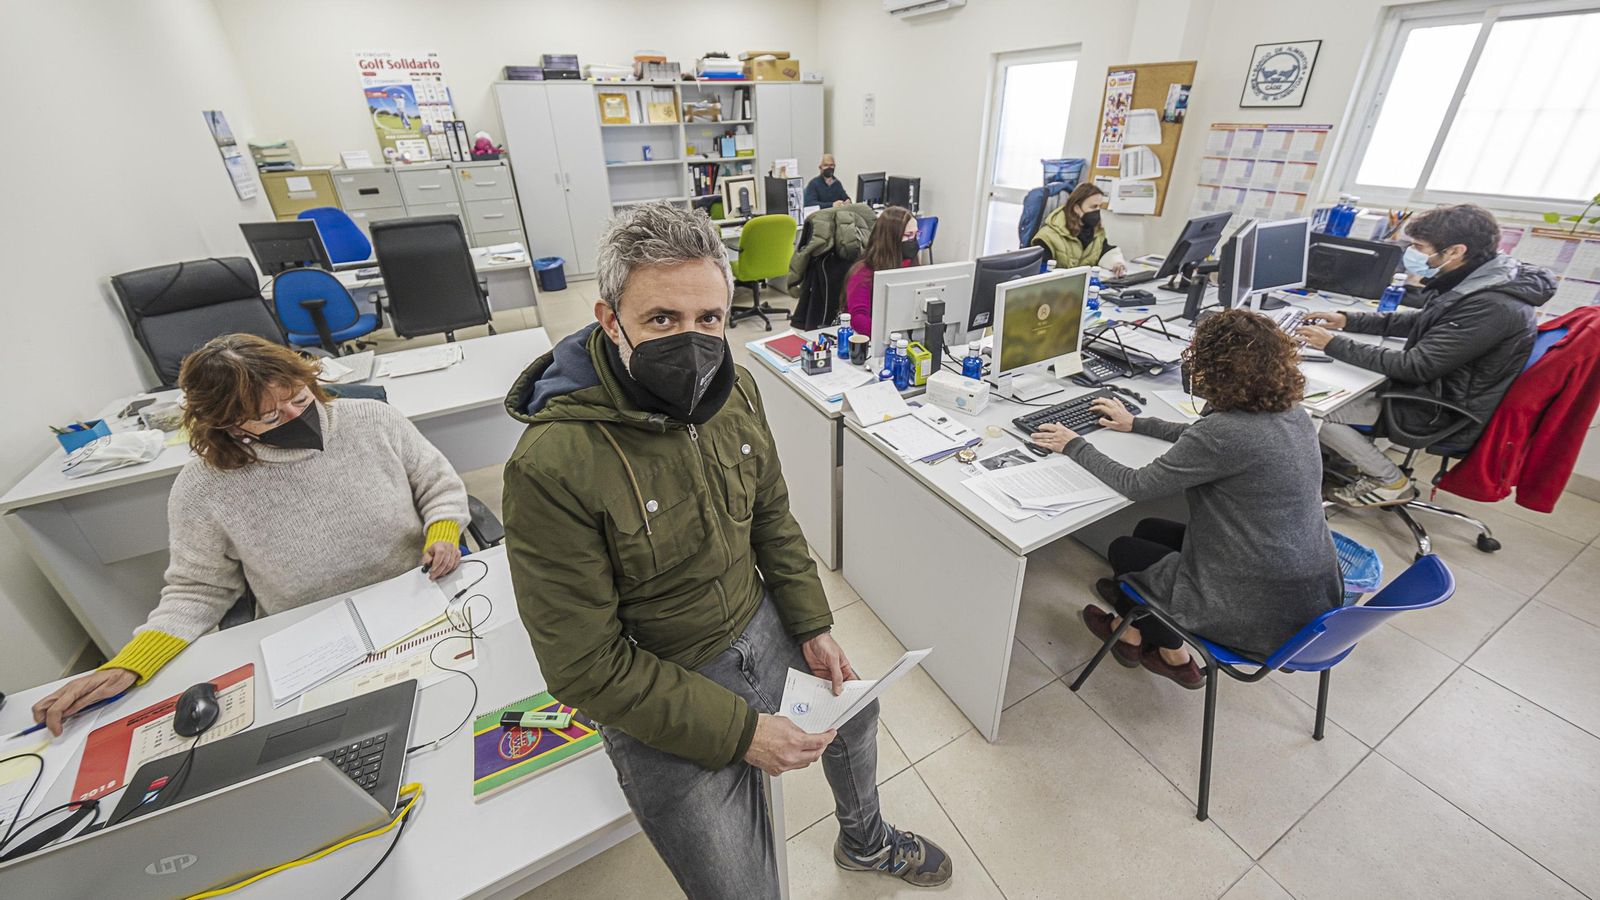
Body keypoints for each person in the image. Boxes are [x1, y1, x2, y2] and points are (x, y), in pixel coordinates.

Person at [502, 202, 951, 898]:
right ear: (608, 318)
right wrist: (741, 733)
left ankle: (864, 842)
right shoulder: (552, 463)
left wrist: (812, 623)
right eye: (662, 319)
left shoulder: (736, 389)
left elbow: (772, 517)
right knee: (743, 886)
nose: (693, 341)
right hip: (658, 668)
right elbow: (584, 667)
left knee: (855, 710)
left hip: (755, 619)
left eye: (709, 319)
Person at [31, 335, 469, 735]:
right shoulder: (202, 488)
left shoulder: (373, 420)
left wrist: (444, 531)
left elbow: (438, 486)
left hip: (419, 596)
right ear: (229, 426)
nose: (297, 416)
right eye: (271, 416)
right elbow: (196, 591)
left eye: (300, 397)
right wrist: (130, 665)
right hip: (313, 635)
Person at [1029, 310, 1342, 687]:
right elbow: (1209, 439)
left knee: (1125, 549)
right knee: (1149, 528)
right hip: (1304, 592)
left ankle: (1160, 648)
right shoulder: (1291, 411)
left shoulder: (1225, 434)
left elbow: (1137, 485)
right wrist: (1138, 423)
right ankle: (1135, 614)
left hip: (1254, 610)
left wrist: (1074, 445)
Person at [1295, 203, 1555, 507]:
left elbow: (1415, 367)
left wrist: (1332, 344)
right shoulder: (1482, 279)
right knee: (1330, 387)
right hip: (1443, 385)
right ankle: (1346, 458)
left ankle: (1388, 479)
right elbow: (1423, 320)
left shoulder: (1492, 305)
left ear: (1455, 251)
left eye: (1419, 247)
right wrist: (1348, 320)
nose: (1413, 253)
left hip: (1439, 405)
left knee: (1308, 408)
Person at [842, 206, 920, 341]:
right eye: (908, 235)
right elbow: (858, 318)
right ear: (891, 238)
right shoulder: (863, 273)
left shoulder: (908, 263)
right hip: (875, 341)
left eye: (916, 234)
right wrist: (891, 338)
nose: (914, 240)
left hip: (904, 336)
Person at [1030, 182, 1128, 275]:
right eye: (1093, 207)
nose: (1098, 211)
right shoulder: (1047, 237)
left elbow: (1104, 251)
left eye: (1100, 207)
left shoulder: (1096, 231)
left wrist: (1116, 263)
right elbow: (1041, 274)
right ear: (1076, 208)